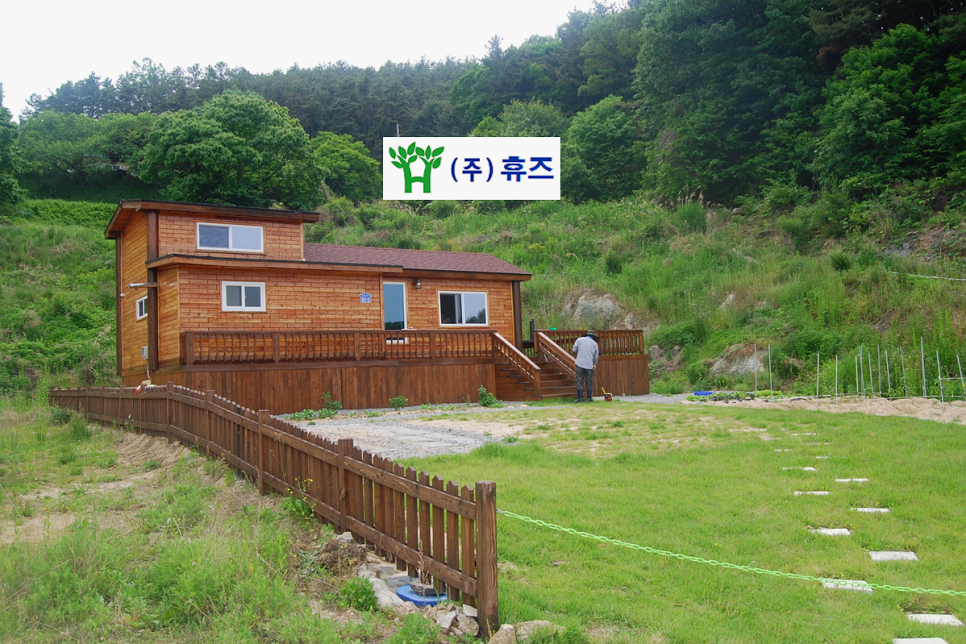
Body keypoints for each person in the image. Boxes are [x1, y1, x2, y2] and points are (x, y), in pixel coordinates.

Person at [572, 330, 599, 402]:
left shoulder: (579, 340)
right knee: (589, 381)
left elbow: (574, 349)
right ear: (593, 336)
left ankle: (580, 398)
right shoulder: (594, 344)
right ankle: (589, 398)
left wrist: (579, 352)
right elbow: (596, 356)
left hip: (579, 363)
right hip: (589, 365)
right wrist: (594, 364)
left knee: (579, 381)